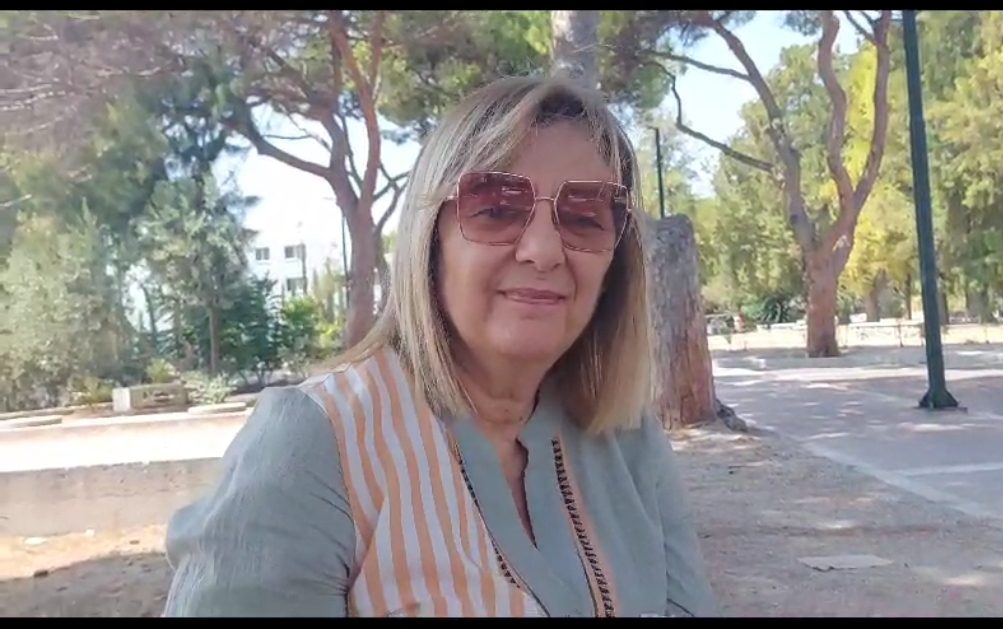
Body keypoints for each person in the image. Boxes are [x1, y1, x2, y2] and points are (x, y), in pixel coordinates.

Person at [162, 76, 718, 618]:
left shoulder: (626, 437)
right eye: (496, 208)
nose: (544, 250)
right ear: (431, 239)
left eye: (583, 217)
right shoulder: (315, 445)